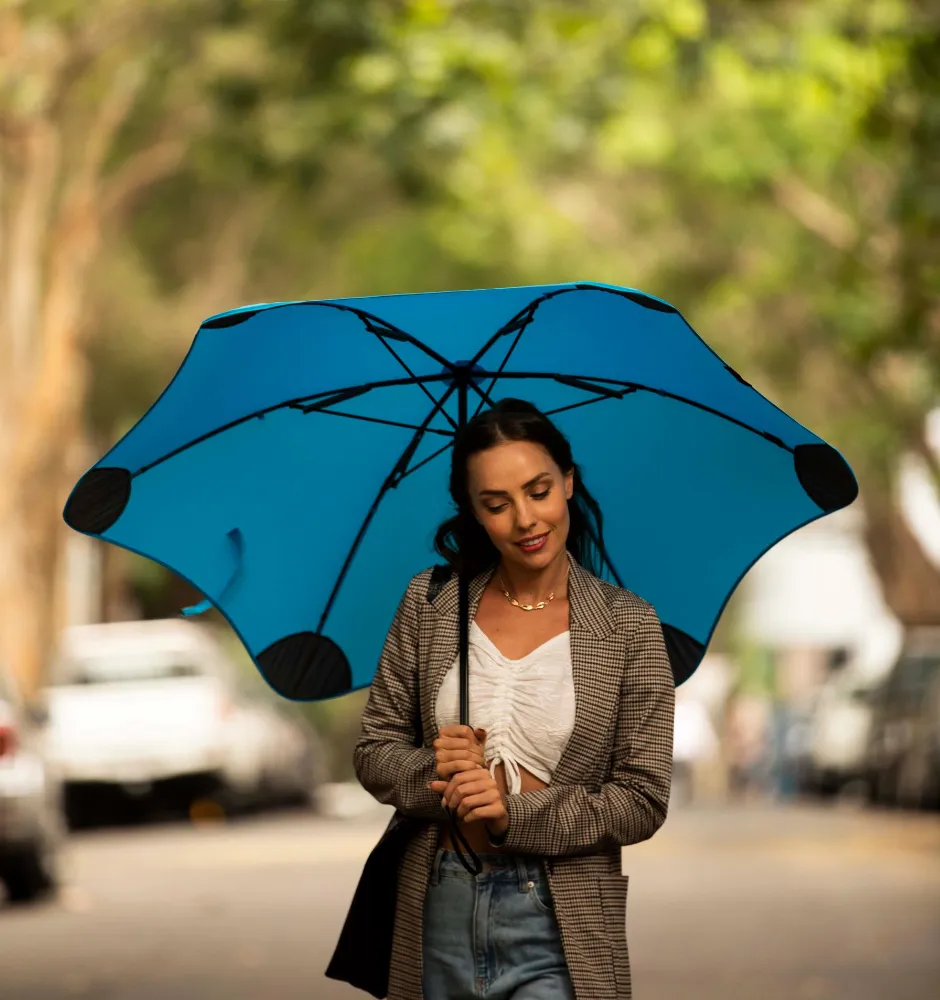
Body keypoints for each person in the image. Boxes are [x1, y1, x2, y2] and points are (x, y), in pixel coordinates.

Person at [353, 398, 675, 1000]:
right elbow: (374, 751)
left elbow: (642, 800)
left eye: (539, 491)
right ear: (474, 513)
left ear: (569, 482)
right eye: (496, 504)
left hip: (561, 920)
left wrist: (512, 810)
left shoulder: (629, 626)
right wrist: (438, 771)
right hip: (437, 903)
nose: (525, 519)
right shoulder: (431, 604)